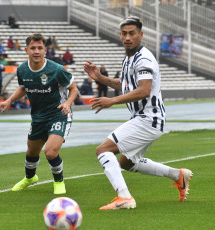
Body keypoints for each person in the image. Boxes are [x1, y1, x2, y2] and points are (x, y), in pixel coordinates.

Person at [83, 16, 193, 210]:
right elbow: (125, 85)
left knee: (103, 150)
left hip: (148, 119)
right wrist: (100, 77)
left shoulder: (143, 58)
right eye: (124, 33)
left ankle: (124, 198)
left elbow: (144, 90)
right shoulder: (129, 58)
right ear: (120, 35)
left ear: (140, 35)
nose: (127, 37)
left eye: (132, 33)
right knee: (126, 163)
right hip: (145, 119)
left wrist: (112, 101)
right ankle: (178, 175)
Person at [0, 33, 78, 194]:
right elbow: (23, 87)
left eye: (40, 48)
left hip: (58, 114)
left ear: (45, 50)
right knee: (31, 151)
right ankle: (30, 178)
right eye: (33, 48)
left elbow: (74, 89)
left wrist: (67, 103)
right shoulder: (22, 69)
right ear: (26, 50)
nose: (36, 51)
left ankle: (59, 182)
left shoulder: (56, 69)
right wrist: (9, 101)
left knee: (50, 151)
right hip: (38, 117)